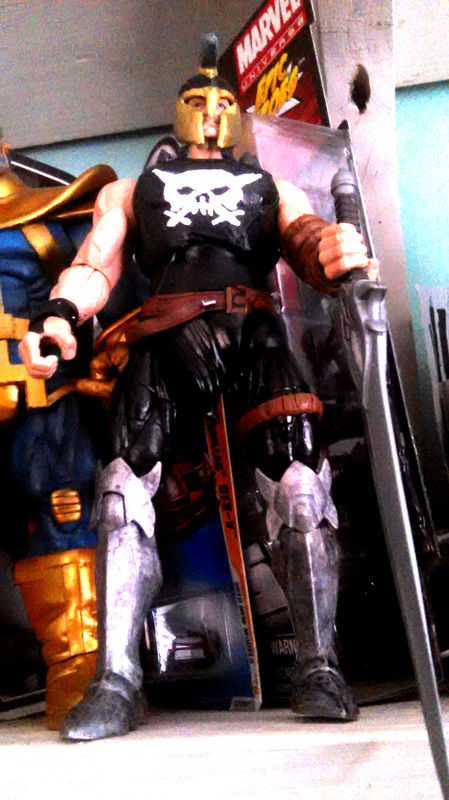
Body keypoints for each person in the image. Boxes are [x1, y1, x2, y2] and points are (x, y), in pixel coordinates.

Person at [19, 34, 378, 741]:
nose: (212, 113)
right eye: (198, 101)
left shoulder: (268, 187)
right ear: (179, 110)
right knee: (121, 492)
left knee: (301, 486)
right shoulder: (133, 189)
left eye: (223, 102)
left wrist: (332, 251)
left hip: (255, 333)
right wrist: (58, 314)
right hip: (165, 332)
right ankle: (116, 680)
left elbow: (304, 239)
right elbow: (97, 263)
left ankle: (317, 664)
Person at [0, 132, 116, 728]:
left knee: (63, 505)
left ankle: (79, 663)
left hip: (42, 394)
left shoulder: (45, 224)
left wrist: (113, 351)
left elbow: (108, 286)